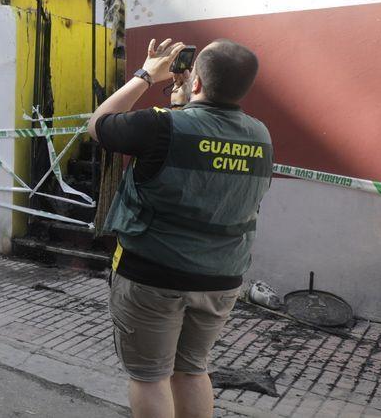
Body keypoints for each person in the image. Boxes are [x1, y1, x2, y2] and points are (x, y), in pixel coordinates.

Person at [88, 38, 273, 418]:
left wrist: (145, 75)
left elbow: (98, 125)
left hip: (152, 276)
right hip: (220, 279)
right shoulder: (261, 136)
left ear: (199, 84)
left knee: (150, 377)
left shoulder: (158, 126)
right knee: (191, 370)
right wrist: (182, 102)